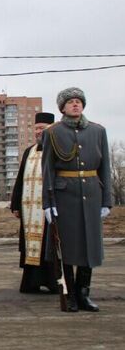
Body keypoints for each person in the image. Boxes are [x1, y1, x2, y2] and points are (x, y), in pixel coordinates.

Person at [41, 87, 111, 312]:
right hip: (64, 196)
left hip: (91, 195)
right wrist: (48, 203)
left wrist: (106, 201)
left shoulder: (98, 131)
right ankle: (69, 294)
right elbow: (48, 170)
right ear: (62, 107)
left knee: (89, 246)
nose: (75, 104)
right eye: (70, 101)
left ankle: (83, 294)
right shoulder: (52, 133)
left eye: (79, 101)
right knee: (68, 248)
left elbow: (105, 168)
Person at [10, 112, 58, 294]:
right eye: (36, 128)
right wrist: (15, 204)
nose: (39, 131)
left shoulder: (58, 149)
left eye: (42, 128)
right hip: (29, 208)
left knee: (49, 245)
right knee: (30, 246)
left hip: (49, 207)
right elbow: (20, 178)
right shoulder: (28, 151)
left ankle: (52, 282)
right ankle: (31, 283)